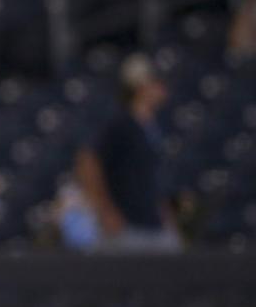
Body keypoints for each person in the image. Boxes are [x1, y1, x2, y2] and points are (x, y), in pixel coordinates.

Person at [75, 53, 181, 253]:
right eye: (156, 82)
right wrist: (105, 210)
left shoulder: (152, 126)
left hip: (152, 223)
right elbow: (88, 162)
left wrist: (166, 215)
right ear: (140, 87)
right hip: (128, 226)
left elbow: (153, 178)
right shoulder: (121, 123)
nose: (162, 88)